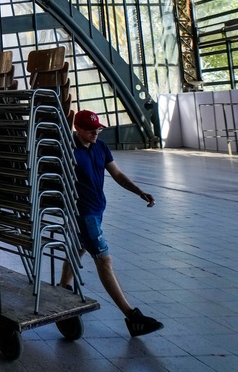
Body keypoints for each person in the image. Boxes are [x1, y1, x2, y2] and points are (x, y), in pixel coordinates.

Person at [59, 109, 164, 337]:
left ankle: (63, 288)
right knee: (104, 260)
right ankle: (132, 316)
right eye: (90, 130)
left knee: (79, 248)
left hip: (98, 209)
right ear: (78, 129)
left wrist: (139, 191)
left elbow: (117, 174)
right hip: (83, 213)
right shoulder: (69, 152)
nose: (95, 133)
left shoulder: (101, 147)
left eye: (97, 129)